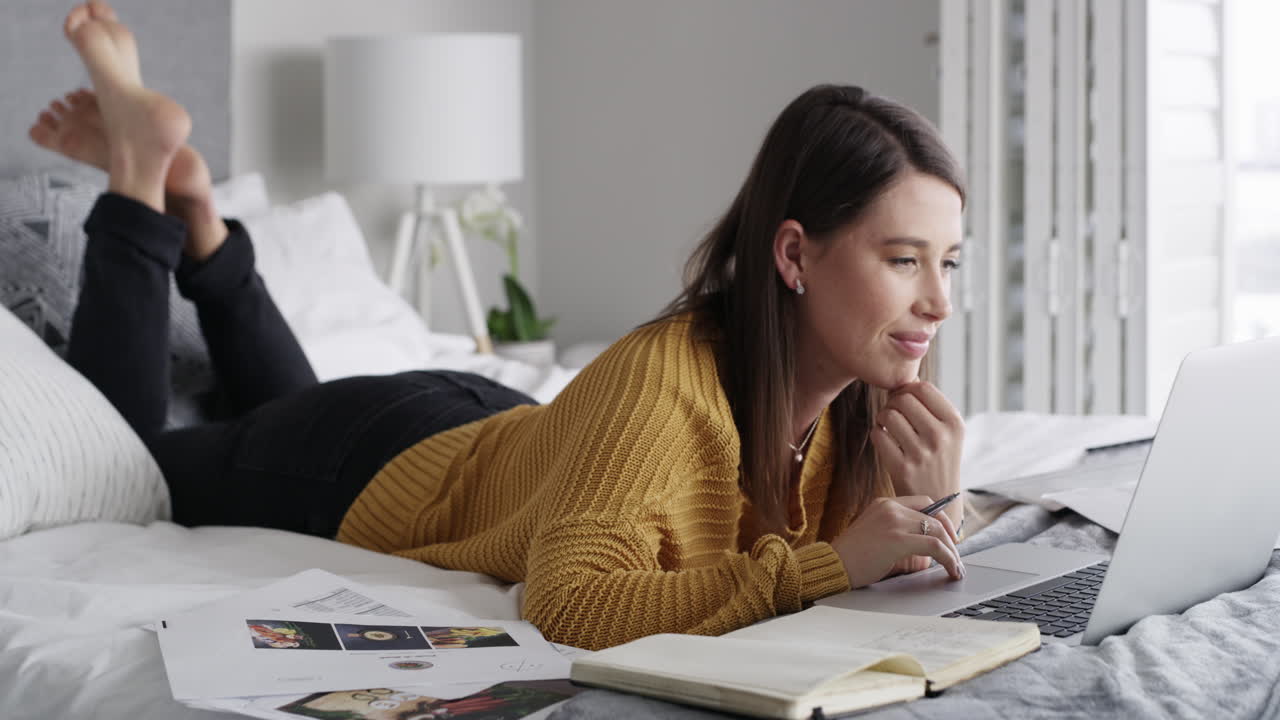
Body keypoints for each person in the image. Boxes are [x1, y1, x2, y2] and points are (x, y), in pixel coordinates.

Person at [36, 1, 968, 652]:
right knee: (138, 459)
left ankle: (200, 214)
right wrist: (822, 568)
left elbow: (875, 568)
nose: (938, 301)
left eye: (949, 262)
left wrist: (942, 506)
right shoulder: (667, 382)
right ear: (795, 256)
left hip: (482, 425)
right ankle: (136, 173)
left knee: (295, 409)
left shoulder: (868, 412)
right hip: (380, 461)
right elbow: (569, 606)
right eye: (903, 260)